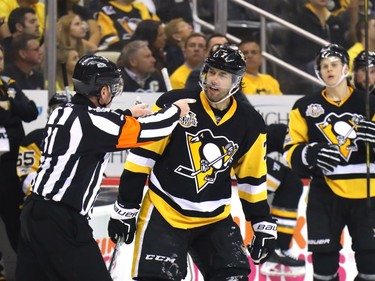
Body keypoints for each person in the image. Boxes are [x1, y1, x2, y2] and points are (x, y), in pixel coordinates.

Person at [15, 54, 193, 281]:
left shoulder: (63, 112)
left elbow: (99, 124)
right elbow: (149, 131)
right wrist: (176, 110)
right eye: (112, 87)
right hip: (61, 220)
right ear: (102, 91)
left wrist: (128, 114)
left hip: (34, 213)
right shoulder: (93, 123)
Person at [107, 44, 277, 280]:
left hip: (215, 219)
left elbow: (252, 179)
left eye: (223, 75)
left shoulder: (251, 123)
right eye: (211, 71)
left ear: (237, 81)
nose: (213, 80)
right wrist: (126, 208)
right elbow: (141, 159)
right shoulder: (175, 103)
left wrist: (261, 223)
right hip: (164, 212)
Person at [284, 43, 375, 281]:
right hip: (325, 193)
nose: (329, 70)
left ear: (346, 68)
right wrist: (307, 154)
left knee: (371, 266)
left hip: (368, 193)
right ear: (318, 72)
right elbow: (289, 150)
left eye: (334, 64)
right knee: (324, 270)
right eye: (324, 66)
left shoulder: (370, 103)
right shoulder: (303, 107)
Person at [0, 42, 38, 259]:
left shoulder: (9, 84)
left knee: (14, 217)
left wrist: (9, 106)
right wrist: (11, 110)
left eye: (1, 58)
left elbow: (31, 112)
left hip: (10, 163)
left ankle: (26, 268)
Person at [261, 123, 306, 277]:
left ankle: (276, 250)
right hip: (230, 159)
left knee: (290, 182)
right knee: (291, 182)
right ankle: (278, 248)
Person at [17, 92, 69, 198]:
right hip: (40, 202)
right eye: (56, 109)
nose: (61, 114)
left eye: (66, 110)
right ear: (48, 112)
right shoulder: (32, 140)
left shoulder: (82, 140)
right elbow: (26, 179)